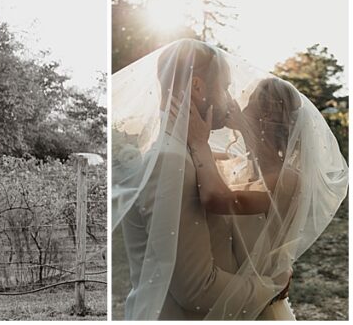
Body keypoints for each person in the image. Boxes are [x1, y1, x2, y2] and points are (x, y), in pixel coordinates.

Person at [112, 39, 346, 320]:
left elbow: (222, 199)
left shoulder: (196, 156)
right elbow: (197, 289)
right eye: (224, 87)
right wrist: (270, 285)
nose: (231, 102)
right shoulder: (173, 161)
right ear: (197, 87)